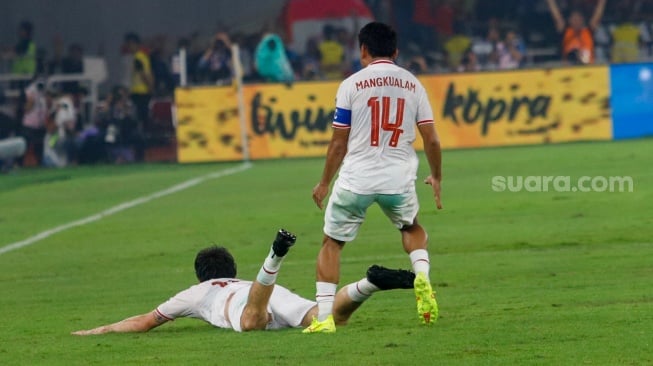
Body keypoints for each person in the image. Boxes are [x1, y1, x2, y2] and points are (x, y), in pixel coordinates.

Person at [305, 22, 443, 334]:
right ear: (395, 51)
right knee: (412, 227)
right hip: (398, 178)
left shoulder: (351, 85)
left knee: (332, 243)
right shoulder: (413, 85)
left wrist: (325, 182)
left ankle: (325, 318)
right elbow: (432, 140)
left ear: (363, 50)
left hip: (357, 178)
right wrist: (436, 177)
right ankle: (422, 275)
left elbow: (338, 143)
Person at [72, 229, 415, 335]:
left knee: (252, 322)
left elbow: (145, 321)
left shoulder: (196, 293)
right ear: (231, 267)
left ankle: (275, 256)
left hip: (249, 301)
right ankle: (368, 283)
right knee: (327, 317)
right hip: (266, 289)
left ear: (201, 275)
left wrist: (98, 331)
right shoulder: (237, 278)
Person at [545, 0, 607, 65]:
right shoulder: (565, 31)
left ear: (583, 21)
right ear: (569, 20)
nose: (576, 22)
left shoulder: (588, 31)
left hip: (589, 67)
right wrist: (550, 2)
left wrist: (602, 2)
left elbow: (597, 16)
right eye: (574, 19)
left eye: (578, 19)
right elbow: (556, 16)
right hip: (569, 68)